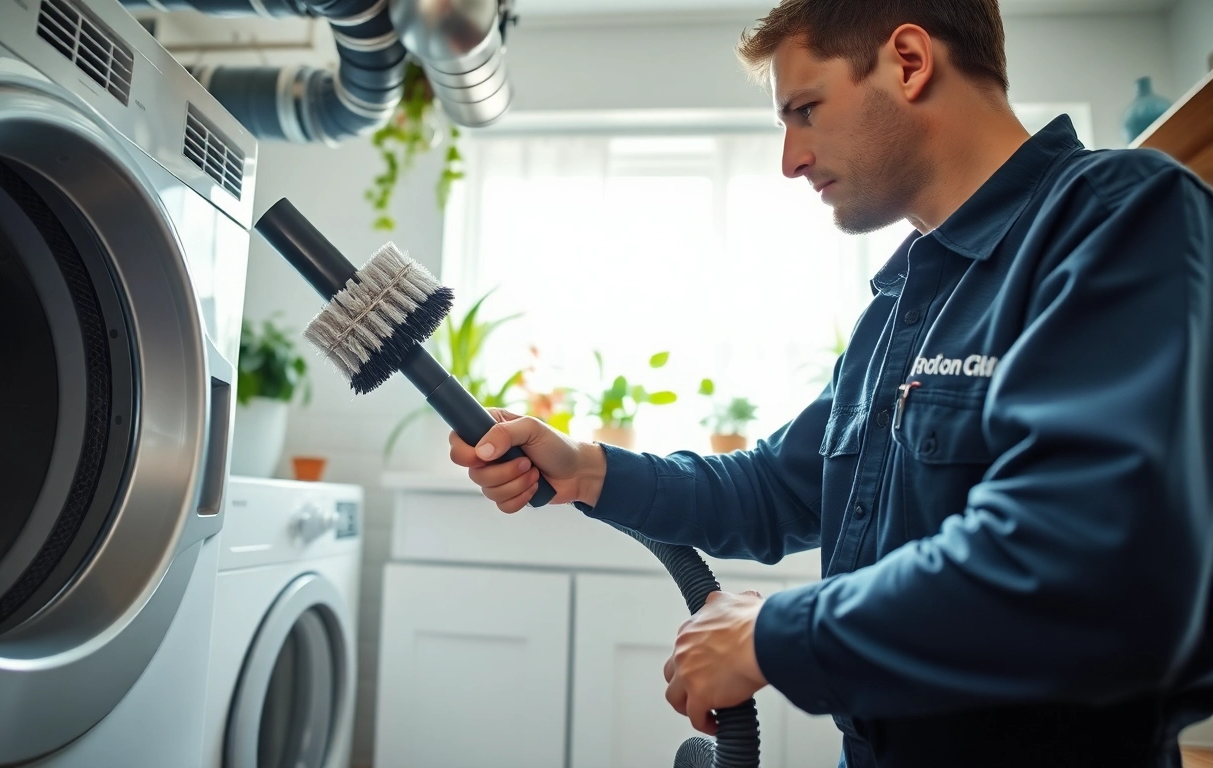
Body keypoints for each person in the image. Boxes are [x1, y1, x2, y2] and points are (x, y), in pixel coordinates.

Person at [447, 1, 1213, 766]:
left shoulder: (1116, 216)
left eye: (806, 110)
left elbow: (1083, 559)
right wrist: (585, 469)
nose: (790, 159)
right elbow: (778, 488)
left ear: (909, 61)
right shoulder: (901, 307)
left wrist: (770, 634)